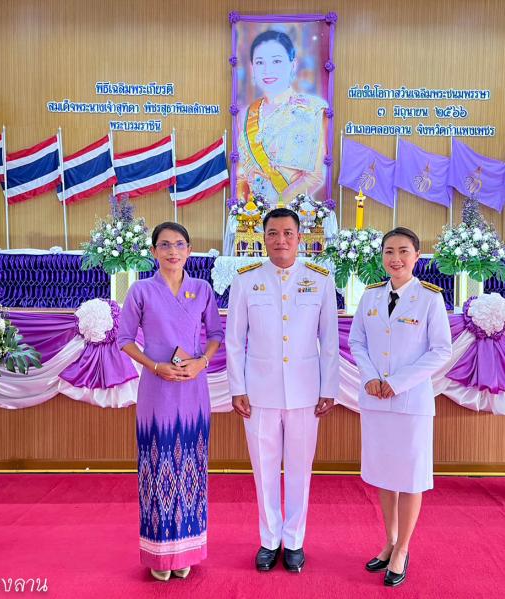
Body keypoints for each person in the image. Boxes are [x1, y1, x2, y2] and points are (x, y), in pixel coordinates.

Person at [226, 207, 339, 573]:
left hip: (306, 392)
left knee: (299, 470)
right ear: (263, 238)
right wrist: (237, 387)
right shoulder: (246, 279)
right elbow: (234, 340)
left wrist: (329, 387)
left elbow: (330, 340)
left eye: (288, 233)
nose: (281, 240)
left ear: (300, 237)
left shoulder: (320, 279)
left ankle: (294, 541)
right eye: (273, 233)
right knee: (264, 469)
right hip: (259, 393)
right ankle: (269, 539)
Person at [117, 222, 223, 582]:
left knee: (191, 465)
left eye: (179, 244)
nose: (172, 251)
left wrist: (201, 362)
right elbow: (125, 338)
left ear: (190, 250)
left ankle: (188, 550)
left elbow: (215, 335)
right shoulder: (141, 291)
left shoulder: (202, 289)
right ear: (154, 252)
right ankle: (160, 553)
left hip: (193, 387)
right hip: (157, 387)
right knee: (158, 464)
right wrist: (154, 365)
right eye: (164, 245)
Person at [348, 227, 452, 588]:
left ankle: (403, 548)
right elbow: (356, 340)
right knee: (384, 475)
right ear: (382, 257)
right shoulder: (371, 295)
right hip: (376, 400)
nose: (396, 258)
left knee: (409, 479)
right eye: (389, 251)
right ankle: (389, 540)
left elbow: (441, 350)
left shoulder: (429, 299)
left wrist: (398, 381)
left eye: (404, 251)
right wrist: (372, 377)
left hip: (410, 403)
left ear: (417, 256)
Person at [236, 30, 328, 206]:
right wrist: (247, 207)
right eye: (260, 62)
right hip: (252, 214)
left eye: (276, 61)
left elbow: (314, 176)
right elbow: (242, 172)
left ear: (293, 65)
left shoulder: (312, 109)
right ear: (252, 68)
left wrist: (277, 207)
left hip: (292, 213)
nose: (267, 69)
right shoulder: (245, 114)